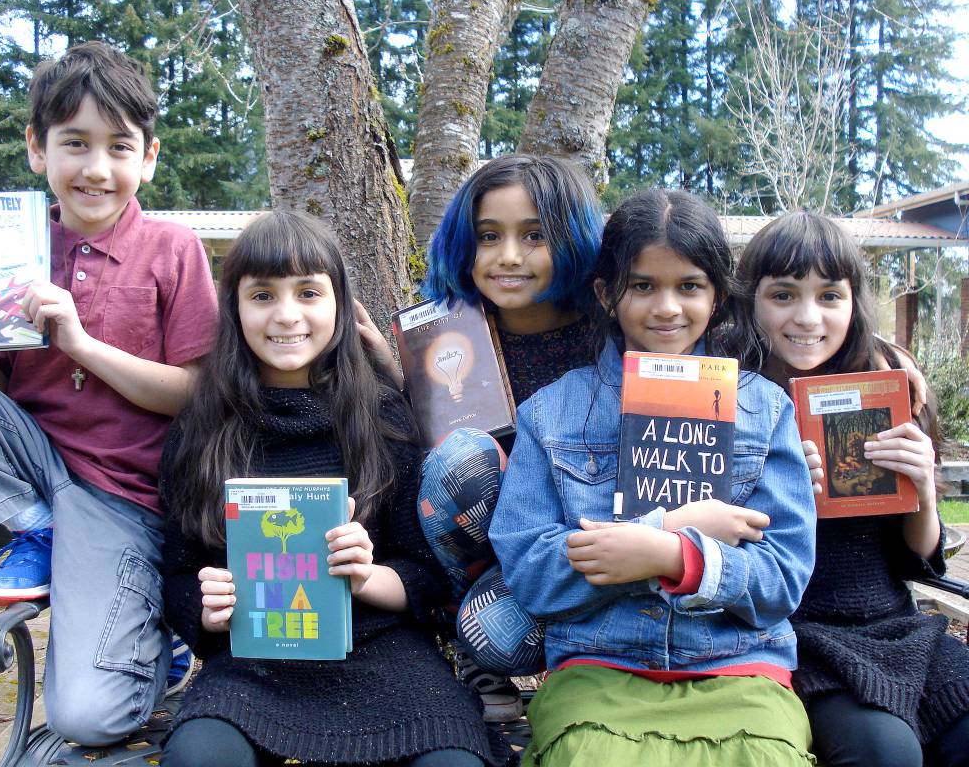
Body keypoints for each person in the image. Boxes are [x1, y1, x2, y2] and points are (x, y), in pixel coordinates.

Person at [158, 209, 510, 767]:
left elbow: (425, 572)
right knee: (200, 757)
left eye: (308, 293)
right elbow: (178, 570)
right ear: (235, 308)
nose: (287, 315)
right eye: (263, 296)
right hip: (255, 664)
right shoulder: (202, 428)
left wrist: (367, 576)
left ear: (340, 306)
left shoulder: (384, 415)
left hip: (385, 655)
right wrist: (206, 608)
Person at [0, 42, 217, 744]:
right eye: (75, 144)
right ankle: (34, 529)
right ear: (38, 149)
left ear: (148, 157)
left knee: (87, 719)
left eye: (118, 147)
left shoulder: (173, 250)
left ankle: (159, 639)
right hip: (31, 466)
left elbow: (196, 395)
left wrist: (81, 345)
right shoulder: (12, 243)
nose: (96, 169)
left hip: (119, 496)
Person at [489, 188, 819, 766]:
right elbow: (531, 575)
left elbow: (783, 577)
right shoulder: (551, 414)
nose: (667, 307)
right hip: (600, 668)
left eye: (689, 286)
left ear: (716, 298)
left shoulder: (766, 410)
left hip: (737, 664)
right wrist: (666, 526)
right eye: (643, 286)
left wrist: (675, 558)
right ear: (605, 294)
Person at [733, 211, 969, 767]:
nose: (807, 317)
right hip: (798, 638)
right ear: (750, 301)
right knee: (886, 754)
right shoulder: (730, 397)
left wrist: (922, 491)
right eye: (783, 295)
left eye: (830, 296)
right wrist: (776, 493)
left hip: (899, 627)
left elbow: (916, 561)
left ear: (853, 303)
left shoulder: (883, 386)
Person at [411, 154, 604, 720]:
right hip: (497, 568)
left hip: (586, 548)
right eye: (488, 236)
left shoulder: (610, 339)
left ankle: (597, 657)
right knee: (461, 460)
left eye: (535, 235)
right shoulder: (442, 341)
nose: (509, 257)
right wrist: (392, 378)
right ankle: (468, 640)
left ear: (571, 239)